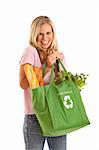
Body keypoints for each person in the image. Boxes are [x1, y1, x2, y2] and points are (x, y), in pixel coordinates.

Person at [19, 16, 66, 150]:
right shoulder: (30, 52)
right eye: (40, 34)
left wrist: (60, 65)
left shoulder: (57, 54)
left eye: (48, 33)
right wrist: (48, 66)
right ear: (34, 34)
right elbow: (23, 84)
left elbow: (61, 86)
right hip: (35, 117)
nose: (44, 38)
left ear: (53, 34)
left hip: (56, 116)